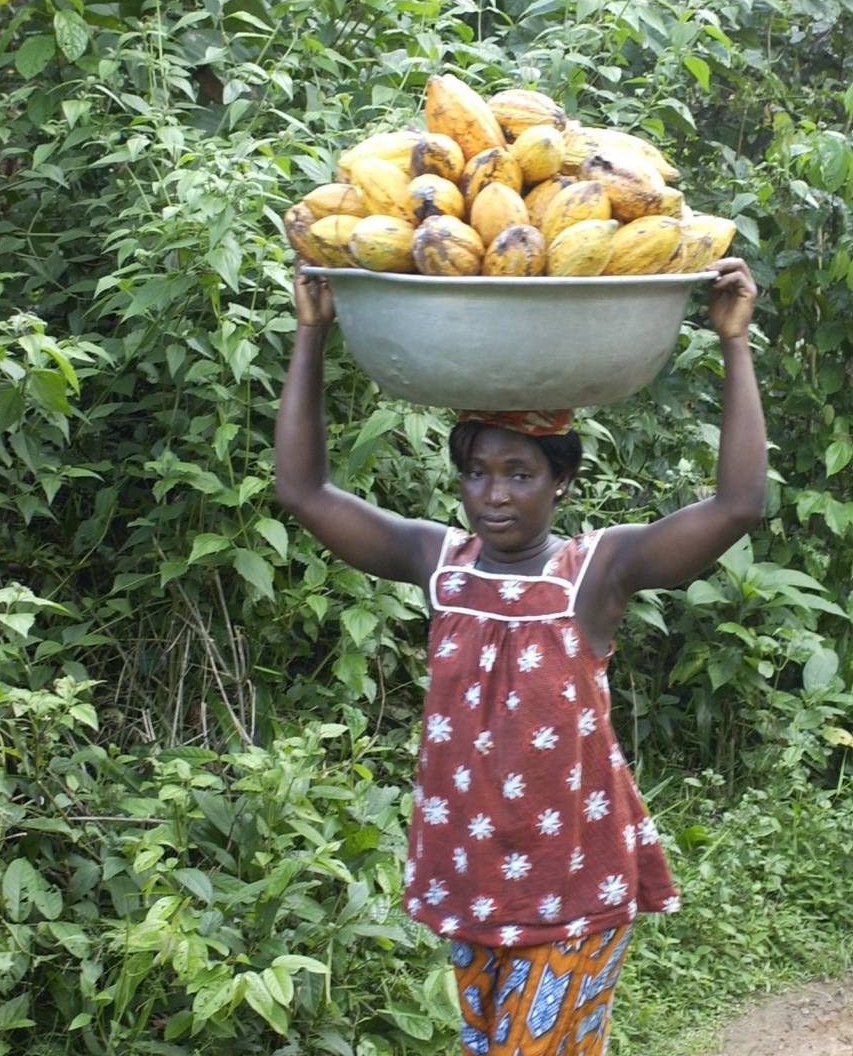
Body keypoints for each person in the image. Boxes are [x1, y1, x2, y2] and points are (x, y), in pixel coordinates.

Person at [274, 258, 767, 1054]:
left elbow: (739, 503)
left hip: (573, 881)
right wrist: (312, 332)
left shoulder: (596, 571)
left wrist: (733, 344)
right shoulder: (439, 564)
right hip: (470, 880)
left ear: (560, 483)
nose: (493, 495)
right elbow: (304, 494)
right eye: (476, 472)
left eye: (518, 474)